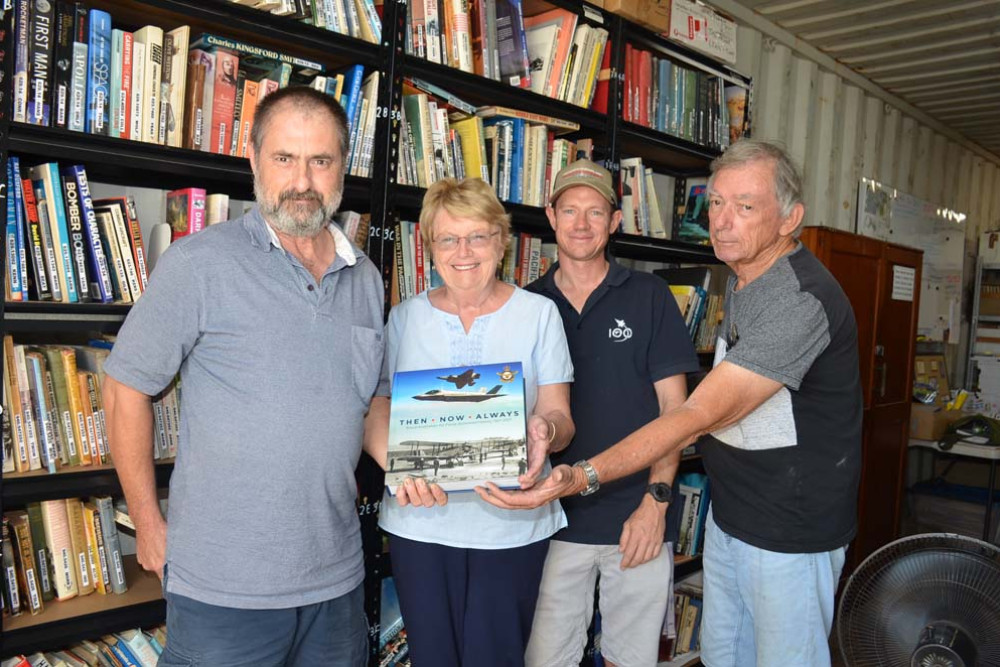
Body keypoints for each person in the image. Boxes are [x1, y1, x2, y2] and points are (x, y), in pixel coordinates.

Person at [480, 139, 863, 667]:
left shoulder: (797, 299)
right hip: (732, 523)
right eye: (719, 204)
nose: (724, 222)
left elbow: (694, 417)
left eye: (746, 207)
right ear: (550, 216)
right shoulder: (748, 283)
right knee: (725, 656)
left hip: (789, 535)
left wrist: (588, 478)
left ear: (789, 219)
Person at [103, 86, 383, 667]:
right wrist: (150, 525)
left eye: (320, 160)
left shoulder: (367, 278)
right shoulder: (199, 264)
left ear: (342, 170)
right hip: (223, 589)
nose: (302, 179)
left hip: (336, 579)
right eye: (285, 158)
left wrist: (423, 468)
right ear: (253, 160)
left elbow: (370, 401)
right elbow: (124, 388)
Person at [363, 177, 575, 667]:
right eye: (448, 238)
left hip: (510, 522)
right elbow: (377, 406)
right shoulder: (403, 318)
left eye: (477, 236)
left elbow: (560, 414)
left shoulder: (539, 314)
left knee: (496, 656)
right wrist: (395, 465)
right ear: (430, 247)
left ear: (501, 241)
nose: (464, 251)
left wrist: (545, 431)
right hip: (421, 523)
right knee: (433, 657)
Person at [523, 159, 700, 667]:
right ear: (551, 216)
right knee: (546, 660)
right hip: (550, 520)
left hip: (637, 519)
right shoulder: (526, 305)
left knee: (632, 660)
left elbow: (676, 411)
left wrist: (657, 501)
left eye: (595, 212)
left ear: (615, 221)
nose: (581, 224)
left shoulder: (650, 297)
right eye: (570, 210)